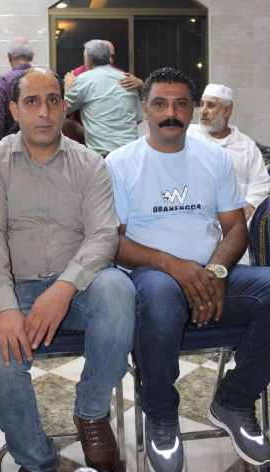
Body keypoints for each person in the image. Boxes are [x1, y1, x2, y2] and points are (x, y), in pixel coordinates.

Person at [106, 67, 270, 472]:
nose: (171, 113)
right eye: (160, 104)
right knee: (161, 296)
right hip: (152, 277)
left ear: (192, 108)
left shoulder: (214, 158)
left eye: (181, 104)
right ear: (145, 109)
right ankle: (162, 417)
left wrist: (215, 271)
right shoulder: (121, 163)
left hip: (213, 275)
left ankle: (234, 400)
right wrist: (174, 266)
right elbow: (115, 242)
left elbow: (235, 227)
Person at [0, 67, 135, 472]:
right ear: (15, 110)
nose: (43, 112)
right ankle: (36, 460)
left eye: (52, 101)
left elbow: (103, 236)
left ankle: (92, 411)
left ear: (65, 107)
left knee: (119, 292)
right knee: (0, 360)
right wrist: (4, 306)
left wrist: (64, 288)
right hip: (14, 289)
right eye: (32, 102)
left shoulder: (90, 163)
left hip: (79, 288)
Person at [188, 83, 269, 223]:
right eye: (202, 104)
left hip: (237, 219)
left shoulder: (246, 145)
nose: (203, 111)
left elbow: (260, 182)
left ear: (226, 110)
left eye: (210, 105)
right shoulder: (188, 134)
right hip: (195, 219)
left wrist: (251, 204)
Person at [65, 40, 143, 156]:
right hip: (131, 152)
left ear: (88, 60)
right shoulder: (128, 79)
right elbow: (138, 118)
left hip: (102, 153)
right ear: (108, 58)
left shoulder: (83, 78)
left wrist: (68, 86)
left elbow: (61, 109)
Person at [0, 36, 34, 145]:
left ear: (9, 56)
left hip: (10, 149)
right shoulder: (46, 79)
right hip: (42, 148)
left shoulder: (2, 82)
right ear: (32, 56)